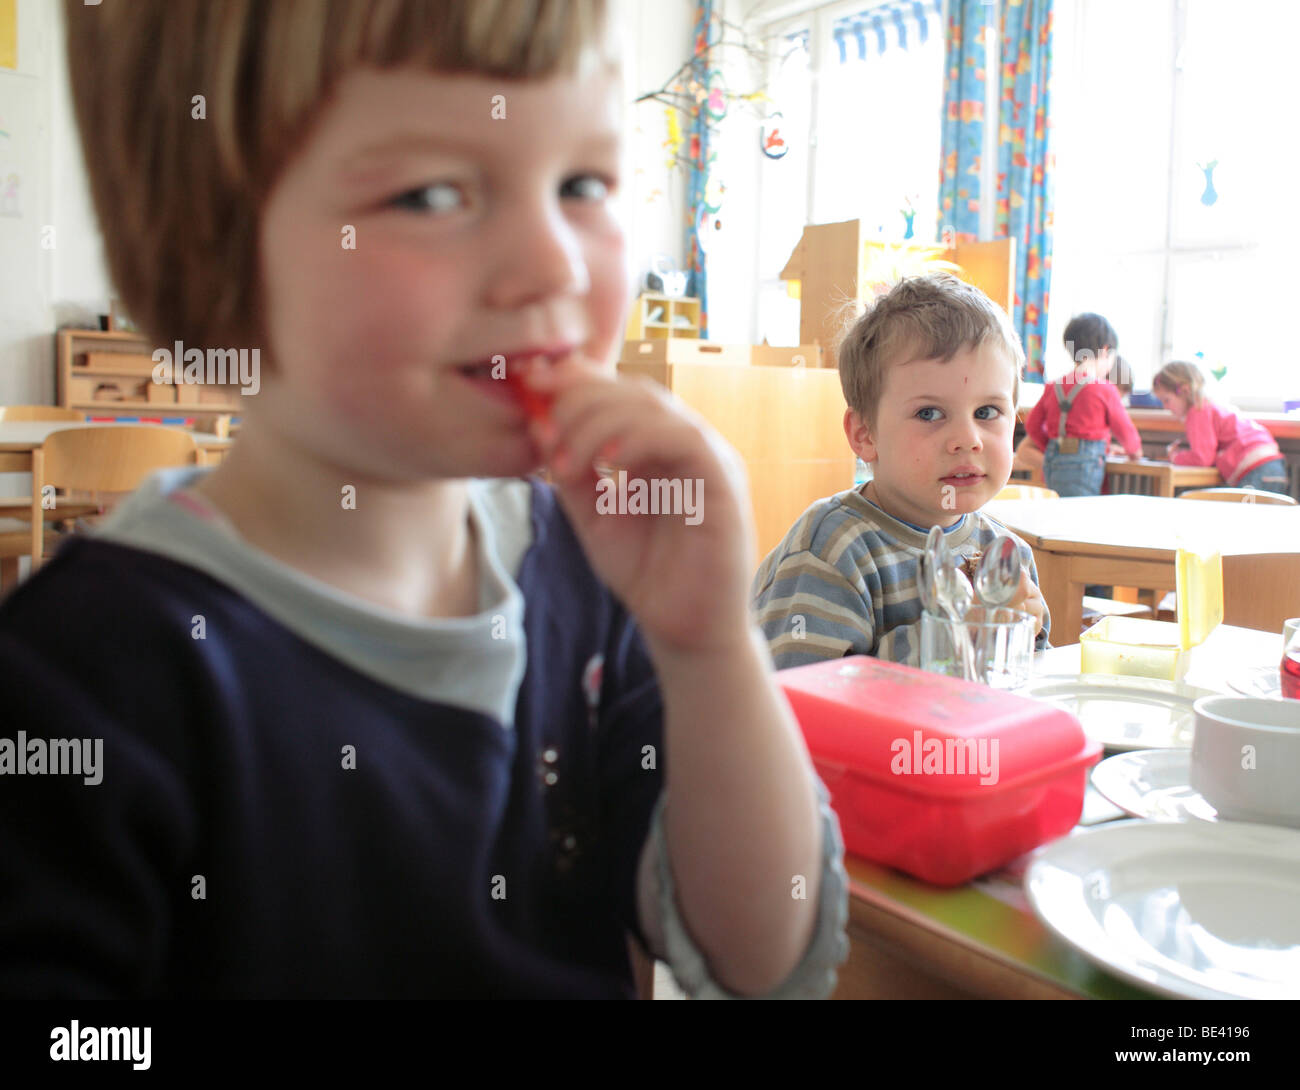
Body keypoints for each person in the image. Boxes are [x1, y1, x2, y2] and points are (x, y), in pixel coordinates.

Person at [0, 0, 848, 1000]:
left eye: (583, 182)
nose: (555, 264)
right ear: (214, 243)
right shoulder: (83, 677)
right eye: (433, 194)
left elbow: (762, 957)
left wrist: (711, 648)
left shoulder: (592, 569)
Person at [752, 275, 1049, 669]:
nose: (967, 439)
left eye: (986, 412)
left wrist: (1023, 634)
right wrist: (955, 641)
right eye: (929, 413)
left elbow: (1026, 689)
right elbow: (798, 700)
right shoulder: (832, 552)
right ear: (865, 434)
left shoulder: (1008, 554)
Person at [1023, 313, 1143, 497]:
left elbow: (1032, 424)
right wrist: (1134, 452)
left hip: (1054, 463)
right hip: (1085, 468)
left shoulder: (1053, 387)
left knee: (1056, 511)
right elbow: (1125, 430)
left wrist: (1052, 447)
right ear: (1105, 351)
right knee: (1080, 515)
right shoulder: (1104, 389)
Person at [1153, 360, 1290, 494]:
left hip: (1254, 468)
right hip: (1272, 464)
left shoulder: (1198, 411)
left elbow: (1202, 458)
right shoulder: (1215, 406)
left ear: (1185, 391)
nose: (1165, 407)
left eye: (1167, 400)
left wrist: (1175, 456)